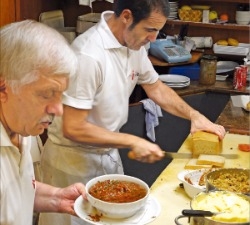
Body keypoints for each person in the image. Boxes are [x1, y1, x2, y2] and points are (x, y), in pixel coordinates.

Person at [40, 0, 226, 224]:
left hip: (107, 154)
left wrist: (194, 115)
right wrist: (131, 140)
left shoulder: (133, 45)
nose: (154, 39)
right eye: (150, 29)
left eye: (158, 31)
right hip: (72, 164)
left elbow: (155, 86)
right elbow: (73, 127)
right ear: (126, 17)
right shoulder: (88, 55)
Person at [0, 20, 87, 225]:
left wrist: (57, 197)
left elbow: (13, 192)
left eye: (60, 95)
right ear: (3, 89)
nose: (58, 109)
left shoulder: (20, 126)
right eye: (47, 94)